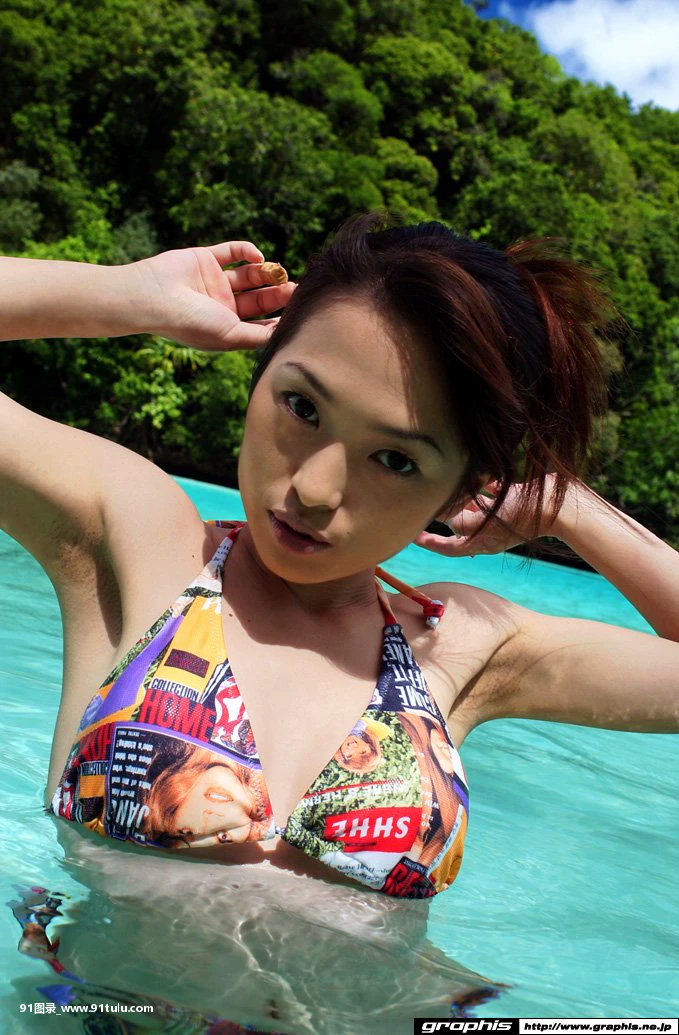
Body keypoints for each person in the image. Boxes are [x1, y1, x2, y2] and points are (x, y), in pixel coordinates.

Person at [1, 213, 677, 1023]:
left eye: (395, 459)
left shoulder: (458, 645)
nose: (315, 489)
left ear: (461, 489)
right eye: (301, 405)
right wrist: (128, 295)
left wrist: (567, 507)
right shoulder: (141, 541)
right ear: (260, 372)